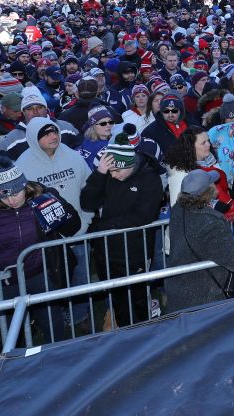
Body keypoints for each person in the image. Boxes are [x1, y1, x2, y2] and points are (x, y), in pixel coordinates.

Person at [0, 155, 81, 340]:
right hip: (5, 283)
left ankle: (58, 360)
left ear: (24, 185)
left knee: (53, 327)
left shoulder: (43, 197)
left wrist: (61, 211)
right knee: (11, 335)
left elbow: (72, 228)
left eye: (15, 192)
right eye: (3, 195)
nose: (11, 200)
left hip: (41, 276)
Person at [79, 130, 164, 329]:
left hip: (135, 250)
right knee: (117, 298)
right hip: (108, 251)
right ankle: (124, 333)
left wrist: (107, 226)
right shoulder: (108, 174)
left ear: (131, 165)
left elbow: (145, 215)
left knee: (138, 297)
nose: (114, 175)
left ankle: (142, 333)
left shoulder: (150, 179)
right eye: (111, 171)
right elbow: (87, 202)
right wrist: (100, 173)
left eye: (118, 171)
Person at [163, 170, 234, 313]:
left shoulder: (178, 209)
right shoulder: (211, 222)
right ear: (208, 191)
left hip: (178, 292)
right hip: (203, 300)